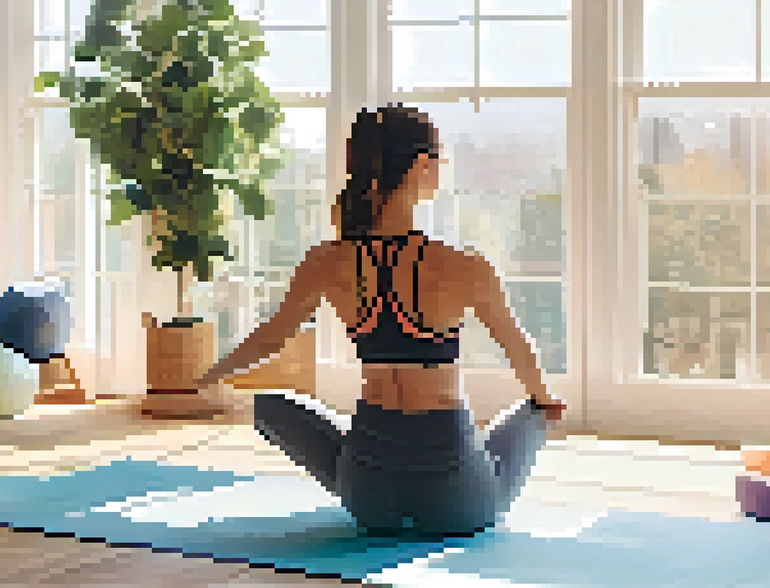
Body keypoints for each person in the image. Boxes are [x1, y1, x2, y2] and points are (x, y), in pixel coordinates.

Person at [194, 103, 565, 538]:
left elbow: (269, 338)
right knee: (533, 414)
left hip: (369, 498)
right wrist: (544, 398)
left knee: (273, 407)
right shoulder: (464, 267)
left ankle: (368, 467)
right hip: (460, 503)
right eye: (441, 160)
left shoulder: (326, 262)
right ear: (423, 165)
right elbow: (519, 351)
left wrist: (208, 376)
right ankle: (533, 418)